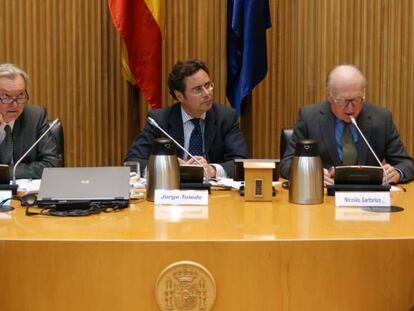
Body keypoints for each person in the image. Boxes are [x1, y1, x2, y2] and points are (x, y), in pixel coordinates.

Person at [279, 64, 414, 185]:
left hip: (368, 199)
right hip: (325, 198)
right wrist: (310, 175)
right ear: (330, 97)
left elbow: (406, 164)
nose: (350, 109)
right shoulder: (309, 117)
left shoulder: (381, 118)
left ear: (363, 94)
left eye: (356, 100)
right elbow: (286, 164)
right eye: (343, 101)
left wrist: (396, 172)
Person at [124, 59, 249, 178]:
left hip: (214, 194)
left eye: (208, 85)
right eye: (197, 89)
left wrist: (212, 169)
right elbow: (132, 162)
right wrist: (166, 167)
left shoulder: (226, 117)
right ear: (179, 96)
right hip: (172, 194)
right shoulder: (159, 120)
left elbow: (241, 162)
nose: (207, 93)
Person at [0, 63, 62, 179]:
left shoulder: (35, 116)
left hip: (26, 194)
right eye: (7, 96)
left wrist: (7, 173)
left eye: (20, 95)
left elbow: (52, 165)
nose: (15, 104)